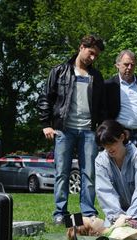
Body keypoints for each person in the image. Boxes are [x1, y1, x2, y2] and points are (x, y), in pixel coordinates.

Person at [37, 35, 106, 225]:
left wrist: (101, 127)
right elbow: (45, 98)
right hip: (64, 130)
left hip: (89, 131)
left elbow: (101, 106)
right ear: (81, 47)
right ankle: (60, 212)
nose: (93, 58)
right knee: (62, 172)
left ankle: (88, 213)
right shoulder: (59, 71)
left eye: (96, 56)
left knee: (89, 172)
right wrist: (46, 124)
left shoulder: (96, 76)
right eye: (91, 53)